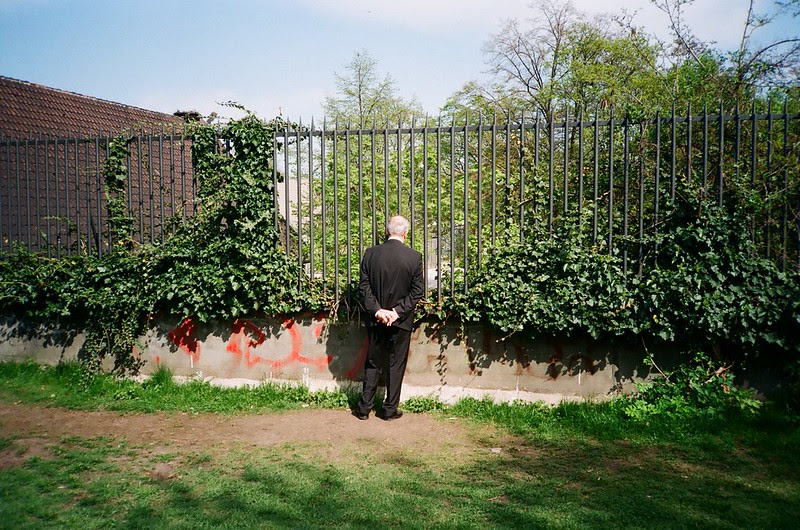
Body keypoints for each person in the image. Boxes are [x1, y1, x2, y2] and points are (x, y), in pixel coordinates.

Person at [353, 215, 424, 421]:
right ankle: (389, 410)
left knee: (373, 362)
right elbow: (417, 291)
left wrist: (377, 311)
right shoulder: (414, 257)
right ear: (405, 233)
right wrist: (397, 312)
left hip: (376, 320)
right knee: (396, 364)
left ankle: (364, 408)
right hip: (400, 322)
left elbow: (363, 287)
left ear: (386, 231)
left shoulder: (371, 254)